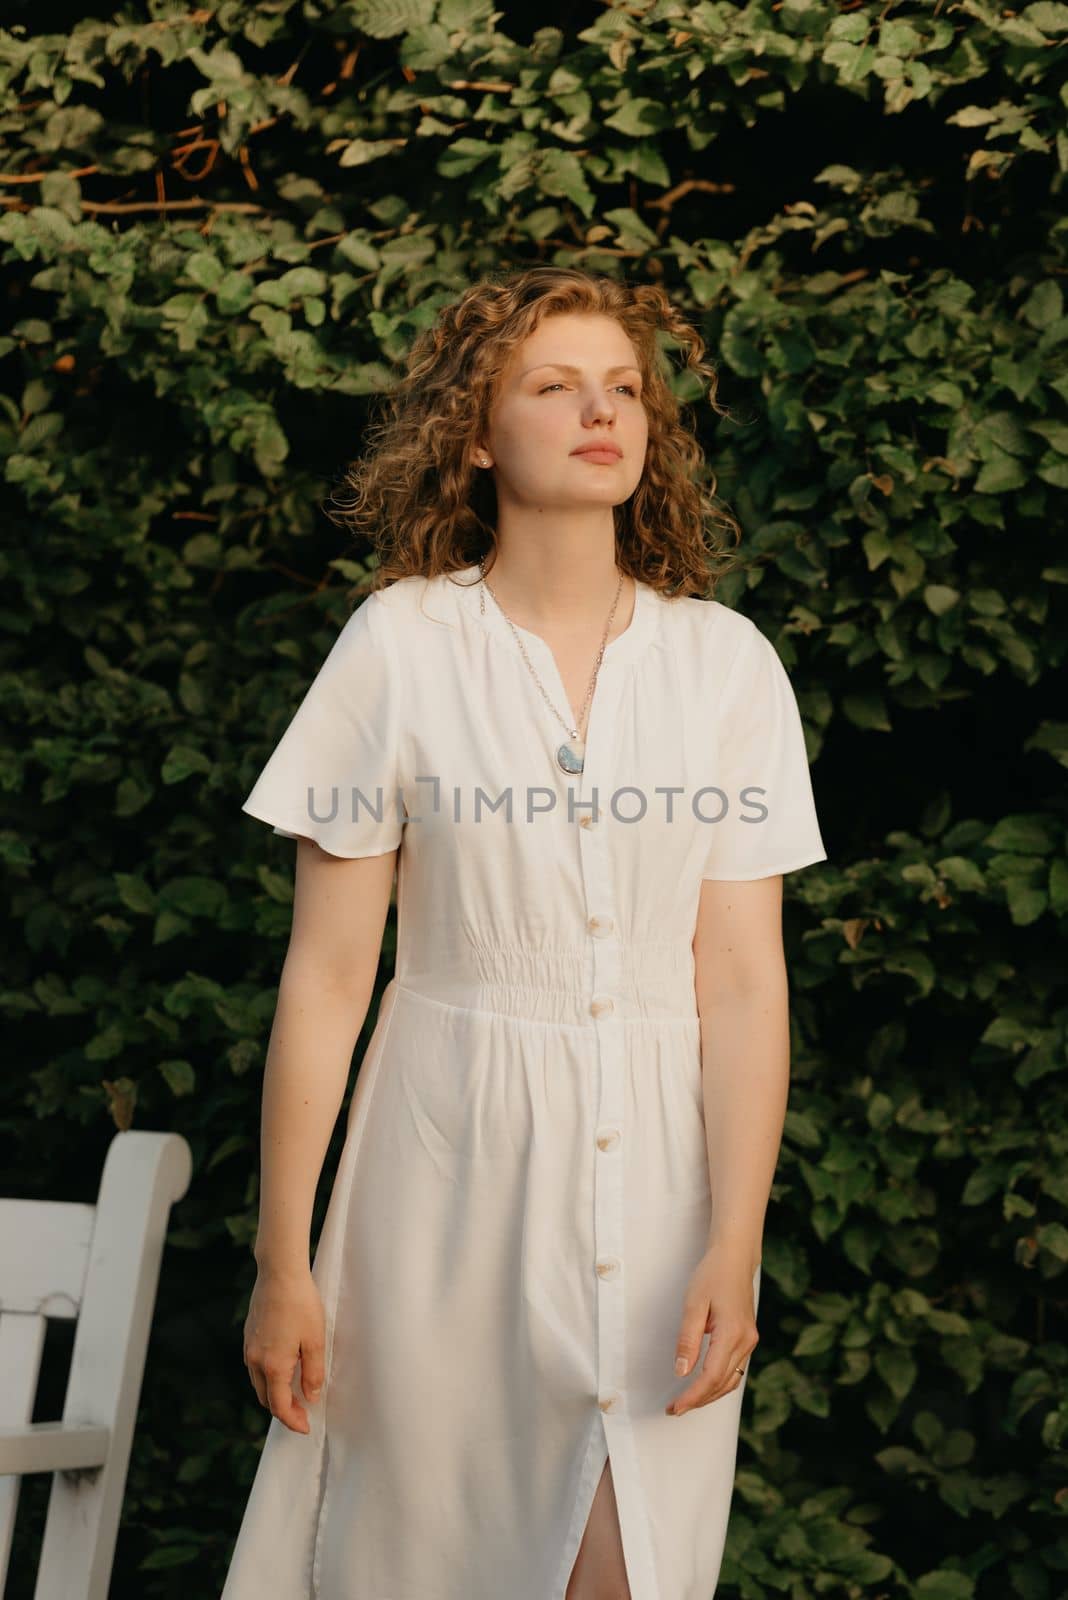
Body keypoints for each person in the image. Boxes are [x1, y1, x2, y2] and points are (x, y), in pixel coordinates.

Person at [220, 265, 827, 1600]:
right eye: (554, 386)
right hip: (440, 1181)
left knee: (630, 1567)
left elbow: (740, 980)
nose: (600, 411)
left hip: (669, 1191)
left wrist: (735, 1239)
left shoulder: (727, 666)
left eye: (623, 389)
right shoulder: (400, 645)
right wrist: (285, 1260)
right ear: (479, 436)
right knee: (422, 1557)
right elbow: (327, 980)